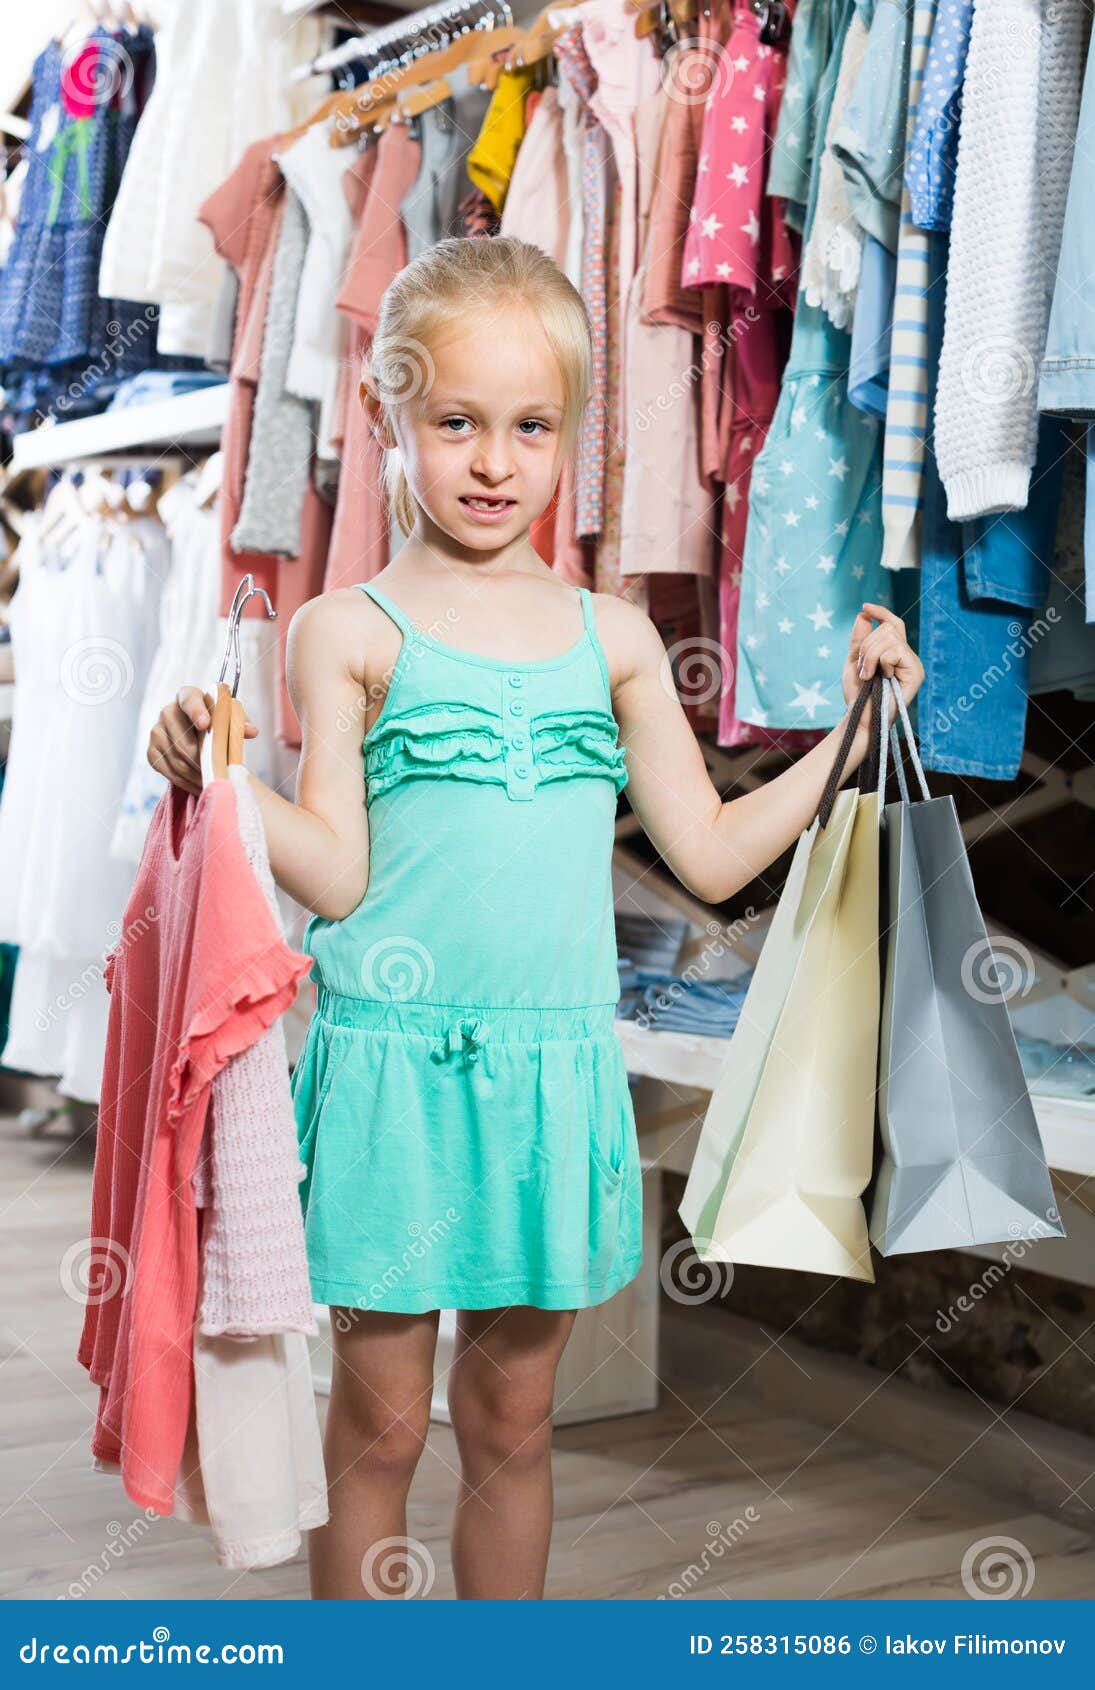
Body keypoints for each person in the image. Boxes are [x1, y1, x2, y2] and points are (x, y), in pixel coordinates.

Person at [147, 236, 924, 1600]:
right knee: (381, 1423)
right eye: (456, 422)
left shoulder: (613, 636)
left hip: (552, 1081)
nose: (493, 462)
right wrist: (213, 774)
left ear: (574, 434)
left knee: (513, 1418)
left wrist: (858, 730)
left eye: (530, 426)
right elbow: (331, 871)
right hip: (392, 1077)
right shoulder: (349, 626)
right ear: (393, 414)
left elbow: (715, 852)